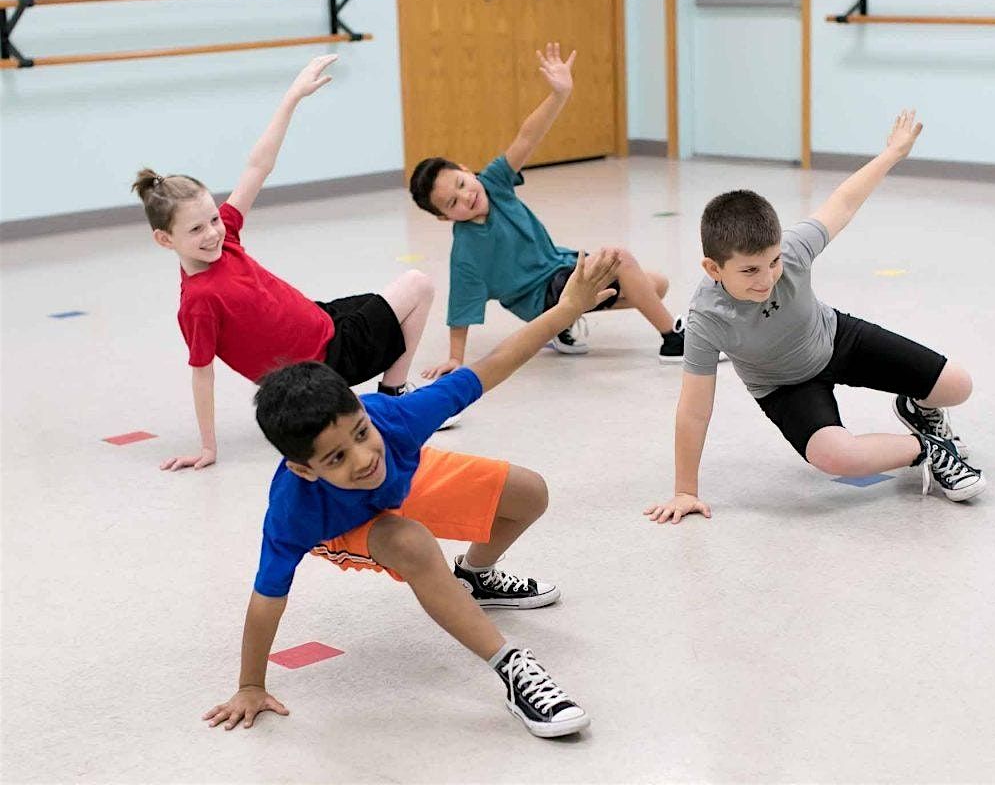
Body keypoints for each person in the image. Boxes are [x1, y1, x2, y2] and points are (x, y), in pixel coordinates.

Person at [203, 249, 622, 738]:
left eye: (359, 433)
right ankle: (513, 668)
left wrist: (567, 310)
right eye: (336, 457)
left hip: (402, 480)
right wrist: (251, 684)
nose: (361, 458)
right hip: (344, 524)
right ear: (304, 468)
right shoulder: (294, 512)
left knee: (529, 492)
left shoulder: (392, 420)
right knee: (412, 543)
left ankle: (476, 577)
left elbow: (492, 366)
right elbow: (266, 600)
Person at [646, 111, 985, 525]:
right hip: (784, 386)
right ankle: (928, 448)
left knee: (958, 386)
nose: (768, 278)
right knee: (835, 456)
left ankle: (919, 408)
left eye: (772, 263)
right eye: (750, 271)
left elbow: (842, 201)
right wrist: (685, 491)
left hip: (836, 338)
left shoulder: (791, 250)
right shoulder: (706, 318)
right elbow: (694, 410)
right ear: (713, 269)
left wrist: (892, 153)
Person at [133, 55, 448, 473]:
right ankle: (393, 397)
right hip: (324, 360)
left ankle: (390, 392)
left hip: (322, 319)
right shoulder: (199, 301)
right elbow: (202, 374)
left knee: (384, 300)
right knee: (418, 284)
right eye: (196, 230)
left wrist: (292, 98)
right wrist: (208, 448)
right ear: (164, 239)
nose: (212, 233)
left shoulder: (225, 236)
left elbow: (257, 166)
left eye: (212, 219)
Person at [408, 42, 684, 375]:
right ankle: (673, 340)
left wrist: (559, 95)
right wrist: (455, 358)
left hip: (560, 270)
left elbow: (527, 137)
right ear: (444, 217)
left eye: (462, 184)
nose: (466, 197)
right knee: (619, 259)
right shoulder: (467, 250)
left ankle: (559, 326)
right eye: (453, 203)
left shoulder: (493, 182)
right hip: (543, 298)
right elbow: (461, 308)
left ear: (467, 170)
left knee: (655, 286)